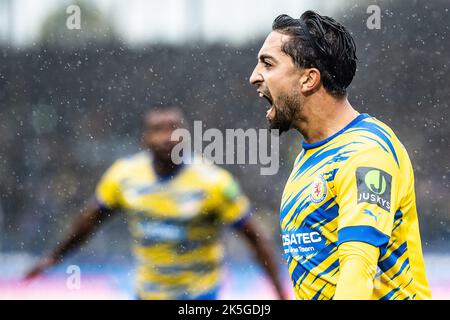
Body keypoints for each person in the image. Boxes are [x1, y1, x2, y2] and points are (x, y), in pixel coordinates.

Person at [249, 10, 431, 300]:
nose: (254, 77)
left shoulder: (365, 152)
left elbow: (358, 266)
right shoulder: (312, 156)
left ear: (309, 79)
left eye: (267, 64)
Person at [25, 106, 286, 300]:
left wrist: (280, 292)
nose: (166, 137)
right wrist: (53, 258)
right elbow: (88, 223)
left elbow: (254, 238)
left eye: (173, 128)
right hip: (148, 292)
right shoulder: (124, 177)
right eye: (157, 130)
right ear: (144, 139)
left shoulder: (213, 183)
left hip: (199, 294)